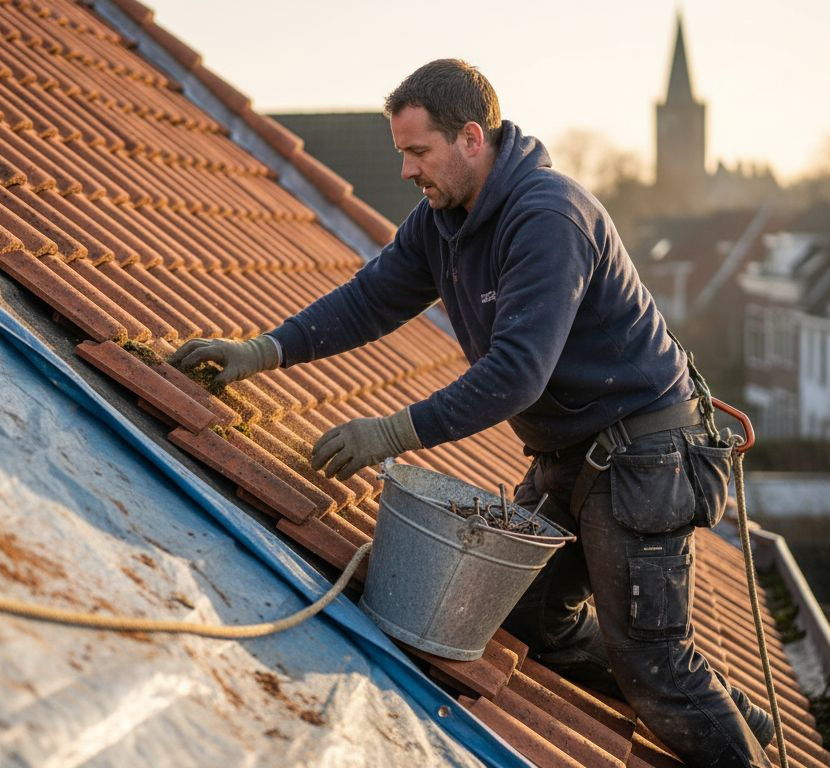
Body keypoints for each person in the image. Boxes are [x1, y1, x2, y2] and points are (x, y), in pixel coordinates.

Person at [171, 59, 774, 767]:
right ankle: (737, 715)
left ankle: (732, 736)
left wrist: (391, 433)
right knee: (526, 622)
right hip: (573, 460)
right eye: (401, 153)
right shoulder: (444, 224)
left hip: (645, 460)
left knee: (656, 665)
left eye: (417, 152)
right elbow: (370, 299)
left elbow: (516, 373)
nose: (406, 171)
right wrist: (262, 351)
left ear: (470, 138)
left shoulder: (548, 218)